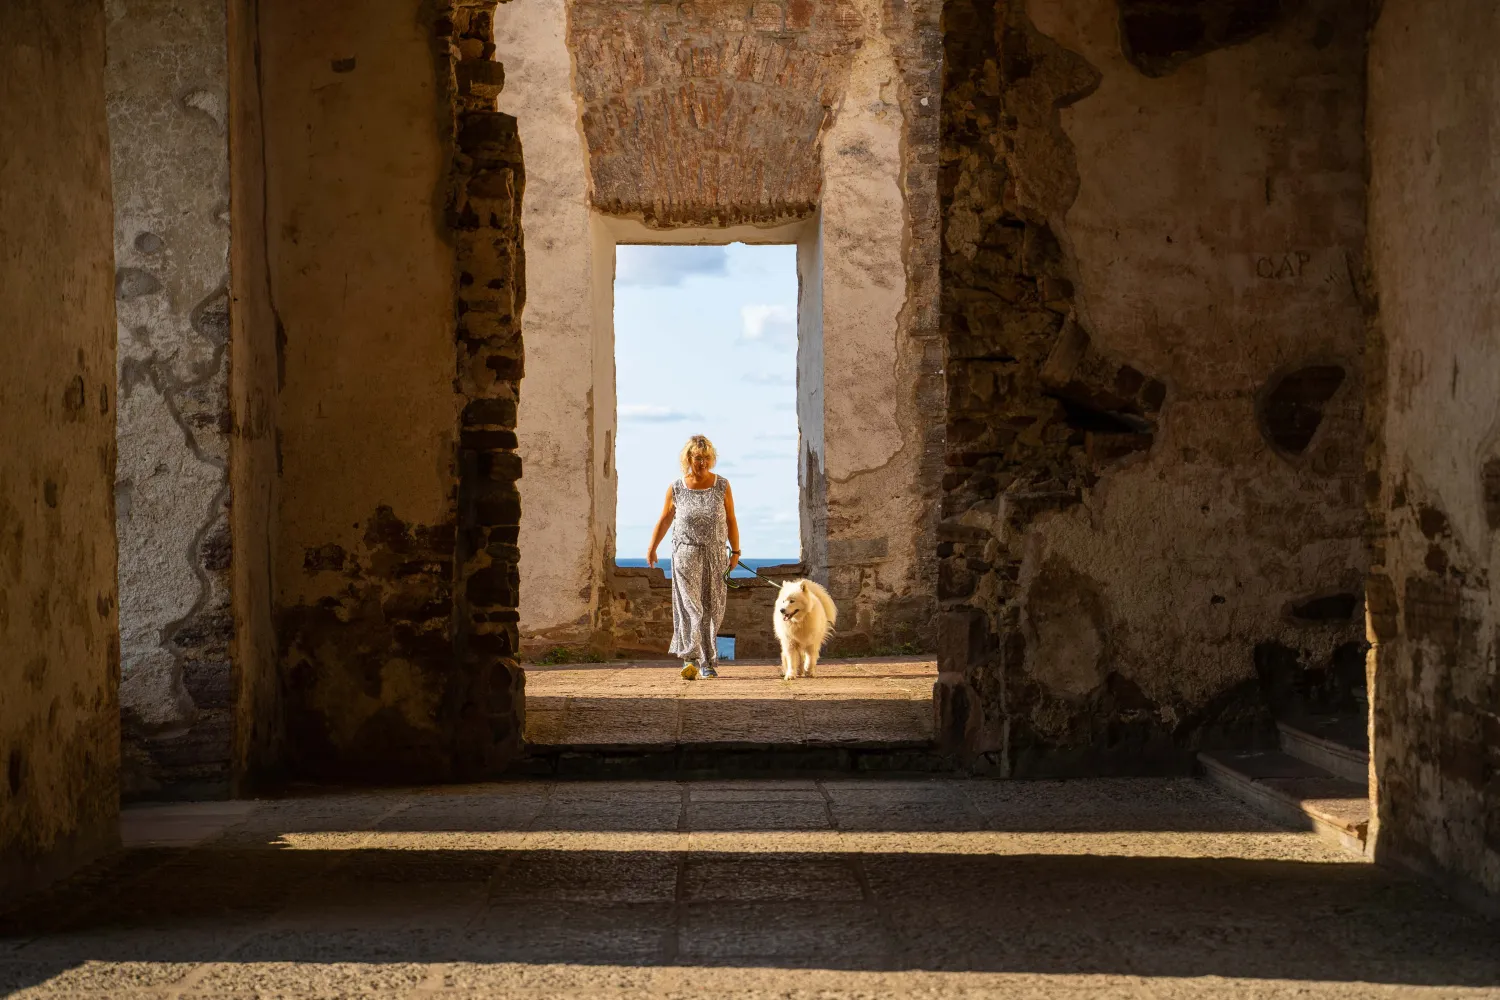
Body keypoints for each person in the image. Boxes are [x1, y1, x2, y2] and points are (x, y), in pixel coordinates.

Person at [647, 434, 740, 679]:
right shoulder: (677, 487)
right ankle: (692, 658)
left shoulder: (722, 485)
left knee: (712, 608)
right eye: (698, 458)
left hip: (715, 554)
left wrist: (736, 551)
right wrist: (652, 547)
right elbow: (665, 518)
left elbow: (731, 519)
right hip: (685, 553)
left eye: (707, 458)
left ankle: (707, 660)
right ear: (688, 458)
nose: (703, 463)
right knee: (691, 607)